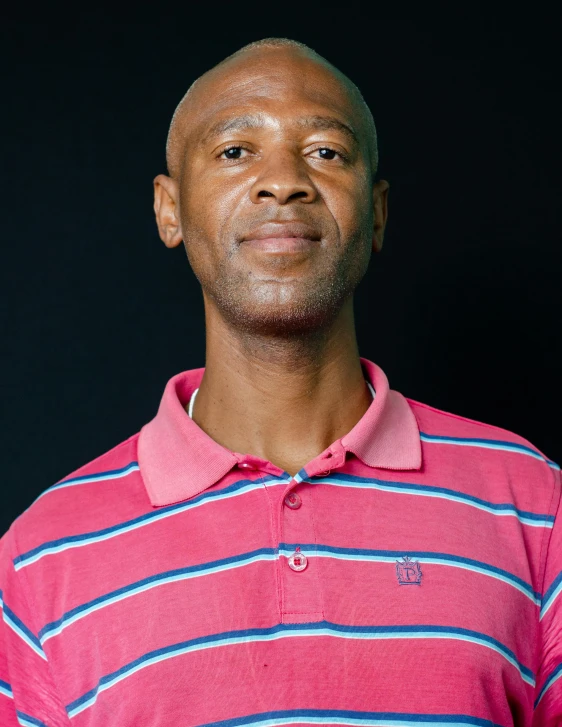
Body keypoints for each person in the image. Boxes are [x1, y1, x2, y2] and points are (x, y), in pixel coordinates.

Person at [0, 37, 560, 727]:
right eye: (235, 151)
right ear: (168, 210)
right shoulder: (42, 556)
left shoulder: (534, 503)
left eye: (325, 151)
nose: (283, 181)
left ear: (377, 211)